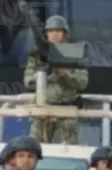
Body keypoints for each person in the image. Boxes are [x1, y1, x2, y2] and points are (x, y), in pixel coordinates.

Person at [22, 15, 90, 144]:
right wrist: (44, 73)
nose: (54, 34)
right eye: (51, 31)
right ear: (46, 34)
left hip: (67, 110)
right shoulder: (37, 56)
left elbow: (82, 82)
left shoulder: (75, 53)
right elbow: (28, 82)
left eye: (58, 31)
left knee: (70, 149)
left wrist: (64, 75)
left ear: (64, 34)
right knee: (34, 147)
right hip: (43, 109)